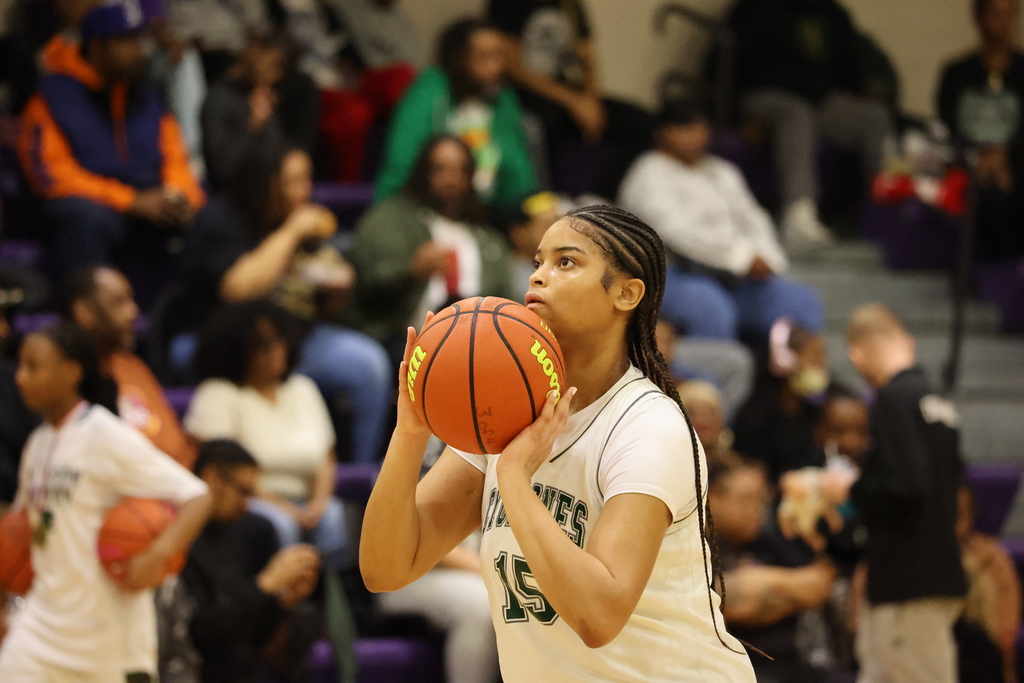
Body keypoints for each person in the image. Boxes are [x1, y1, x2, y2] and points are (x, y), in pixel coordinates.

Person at [360, 205, 755, 681]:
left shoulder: (648, 426)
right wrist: (410, 433)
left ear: (627, 294)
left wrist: (512, 477)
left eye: (566, 262)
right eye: (537, 262)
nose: (539, 278)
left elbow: (598, 615)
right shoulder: (498, 414)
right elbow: (386, 569)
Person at [0, 322, 212, 682]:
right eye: (20, 366)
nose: (20, 378)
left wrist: (157, 554)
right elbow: (21, 532)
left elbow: (197, 496)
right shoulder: (37, 444)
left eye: (33, 367)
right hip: (41, 627)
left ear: (71, 372)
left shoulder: (105, 435)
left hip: (109, 638)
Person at [182, 141, 391, 464]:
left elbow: (322, 305)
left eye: (307, 179)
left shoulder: (306, 225)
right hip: (221, 341)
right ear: (264, 182)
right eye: (293, 181)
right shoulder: (223, 219)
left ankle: (363, 479)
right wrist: (291, 232)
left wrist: (337, 291)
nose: (304, 190)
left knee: (369, 364)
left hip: (295, 338)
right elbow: (237, 289)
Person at [17, 0, 205, 276]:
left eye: (139, 39)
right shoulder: (52, 98)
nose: (139, 51)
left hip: (150, 205)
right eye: (126, 42)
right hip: (94, 207)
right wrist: (130, 201)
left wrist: (181, 195)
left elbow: (175, 158)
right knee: (82, 218)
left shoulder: (147, 98)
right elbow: (52, 176)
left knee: (212, 215)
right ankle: (88, 313)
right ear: (97, 47)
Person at [619, 98, 825, 339]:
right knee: (712, 309)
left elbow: (754, 219)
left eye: (701, 128)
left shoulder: (722, 170)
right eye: (686, 129)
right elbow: (678, 233)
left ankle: (802, 375)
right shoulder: (648, 173)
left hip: (735, 276)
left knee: (800, 302)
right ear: (665, 133)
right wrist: (741, 257)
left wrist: (767, 257)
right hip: (673, 274)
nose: (696, 136)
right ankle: (715, 375)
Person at [843, 304, 967, 683]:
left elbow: (907, 485)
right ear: (907, 343)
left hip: (907, 581)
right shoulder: (937, 401)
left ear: (857, 353)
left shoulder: (893, 399)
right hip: (933, 570)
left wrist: (851, 489)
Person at [184, 301, 346, 564]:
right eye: (263, 345)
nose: (276, 351)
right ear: (238, 350)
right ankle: (279, 598)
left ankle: (337, 598)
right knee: (280, 525)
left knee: (334, 516)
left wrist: (318, 504)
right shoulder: (218, 394)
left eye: (281, 341)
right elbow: (222, 471)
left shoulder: (302, 389)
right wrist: (285, 508)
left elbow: (326, 460)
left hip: (305, 500)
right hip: (250, 501)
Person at [727, 0, 894, 247]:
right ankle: (799, 213)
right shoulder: (754, 9)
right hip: (767, 96)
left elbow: (851, 67)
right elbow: (727, 67)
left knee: (874, 116)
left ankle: (886, 210)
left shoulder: (833, 14)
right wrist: (735, 117)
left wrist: (862, 89)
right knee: (797, 112)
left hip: (821, 99)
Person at [347, 135, 515, 362]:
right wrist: (410, 271)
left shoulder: (488, 238)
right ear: (423, 172)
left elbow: (507, 301)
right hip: (404, 337)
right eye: (441, 169)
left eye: (460, 171)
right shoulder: (389, 219)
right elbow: (365, 285)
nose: (451, 180)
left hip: (478, 343)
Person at [182, 439, 322, 683]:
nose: (247, 506)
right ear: (212, 477)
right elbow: (200, 634)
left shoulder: (232, 541)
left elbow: (248, 637)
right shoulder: (178, 542)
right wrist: (266, 584)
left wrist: (282, 602)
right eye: (243, 491)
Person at [486, 0, 653, 197]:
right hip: (524, 94)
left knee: (641, 122)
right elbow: (512, 66)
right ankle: (551, 202)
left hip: (566, 90)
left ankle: (603, 198)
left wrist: (592, 102)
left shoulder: (571, 7)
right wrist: (573, 102)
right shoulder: (512, 5)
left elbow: (586, 56)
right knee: (545, 124)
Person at [374, 18, 539, 213]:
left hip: (488, 212)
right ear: (459, 59)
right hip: (429, 208)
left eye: (500, 56)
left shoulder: (504, 100)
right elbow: (401, 163)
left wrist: (533, 208)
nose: (497, 67)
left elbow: (519, 170)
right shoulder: (429, 90)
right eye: (485, 57)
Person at [708, 457, 837, 683]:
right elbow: (733, 603)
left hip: (791, 663)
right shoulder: (700, 546)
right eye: (746, 499)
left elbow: (820, 583)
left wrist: (764, 586)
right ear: (713, 498)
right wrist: (789, 591)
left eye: (761, 499)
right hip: (734, 669)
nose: (756, 509)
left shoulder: (768, 539)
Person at [60, 265, 197, 468]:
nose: (133, 312)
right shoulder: (68, 378)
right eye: (118, 303)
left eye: (131, 300)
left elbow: (175, 444)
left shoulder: (133, 365)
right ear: (84, 313)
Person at [938, 0, 1024, 261]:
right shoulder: (956, 73)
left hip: (1017, 163)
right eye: (996, 14)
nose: (1003, 22)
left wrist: (1005, 154)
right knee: (984, 193)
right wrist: (980, 156)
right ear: (978, 17)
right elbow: (948, 127)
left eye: (1009, 14)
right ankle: (989, 277)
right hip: (968, 163)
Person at [201, 29, 320, 192]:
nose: (275, 76)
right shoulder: (218, 98)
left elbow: (276, 157)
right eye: (273, 65)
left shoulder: (260, 97)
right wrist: (253, 127)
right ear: (254, 52)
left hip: (268, 197)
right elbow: (223, 169)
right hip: (231, 200)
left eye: (280, 69)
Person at [732, 319, 832, 482]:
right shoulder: (754, 418)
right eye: (814, 358)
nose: (821, 366)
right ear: (785, 360)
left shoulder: (816, 410)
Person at [955, 485, 1021, 683]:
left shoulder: (994, 559)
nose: (956, 520)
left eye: (961, 513)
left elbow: (1007, 630)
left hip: (980, 657)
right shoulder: (907, 562)